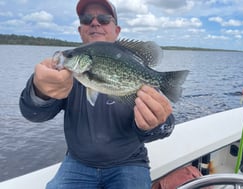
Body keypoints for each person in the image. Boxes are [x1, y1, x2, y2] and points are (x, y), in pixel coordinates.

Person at [19, 0, 175, 188]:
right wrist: (39, 92)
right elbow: (35, 114)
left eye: (103, 19)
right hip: (77, 163)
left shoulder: (133, 67)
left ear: (117, 30)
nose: (94, 23)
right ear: (80, 30)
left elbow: (164, 128)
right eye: (86, 19)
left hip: (130, 162)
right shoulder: (62, 76)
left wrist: (156, 124)